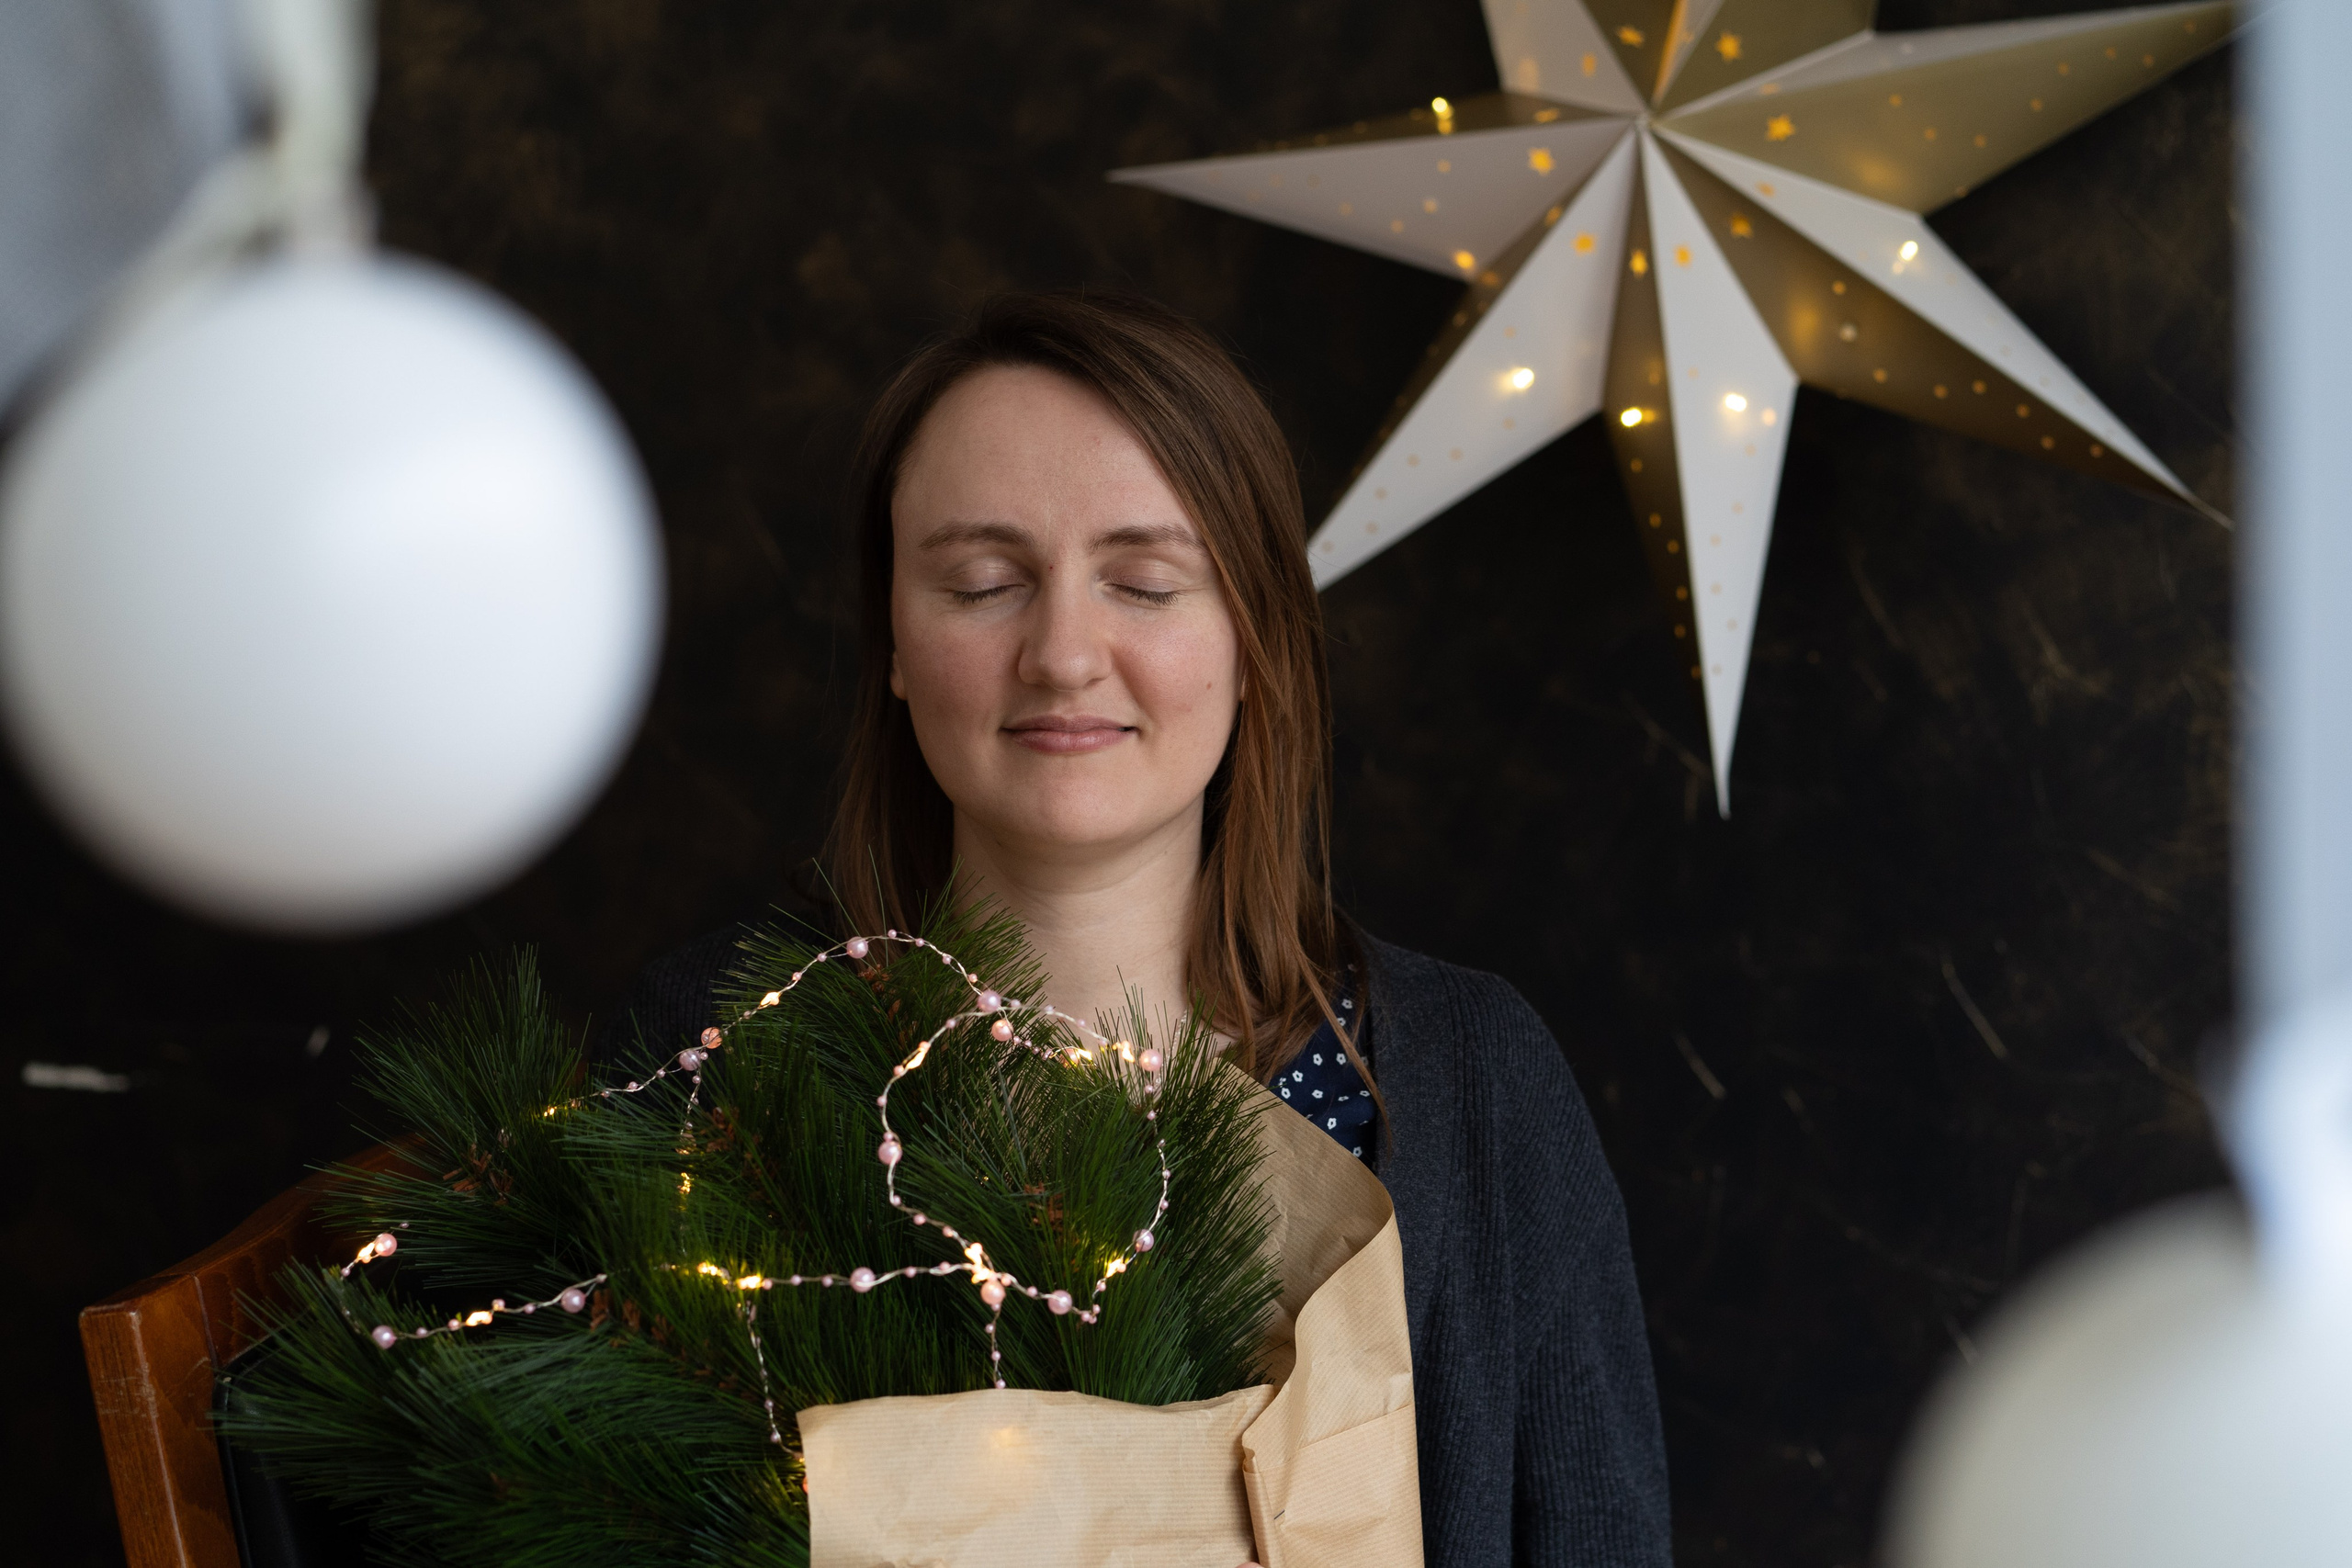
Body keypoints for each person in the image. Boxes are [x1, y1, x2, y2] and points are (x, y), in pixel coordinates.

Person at [612, 289, 1671, 1568]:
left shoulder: (1470, 1086)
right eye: (983, 582)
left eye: (1146, 582)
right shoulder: (695, 1060)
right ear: (893, 636)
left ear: (1254, 634)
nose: (1063, 652)